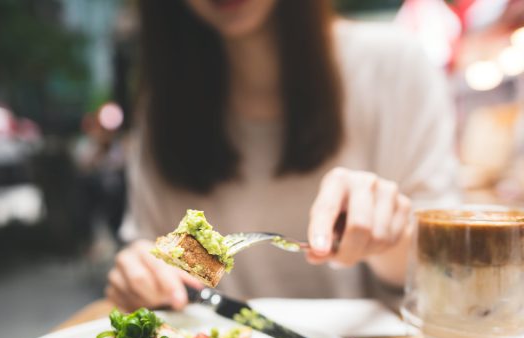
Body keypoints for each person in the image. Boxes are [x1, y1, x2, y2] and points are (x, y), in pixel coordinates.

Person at [107, 0, 457, 312]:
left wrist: (390, 240)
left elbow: (448, 277)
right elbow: (158, 257)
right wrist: (144, 276)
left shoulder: (393, 66)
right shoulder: (163, 110)